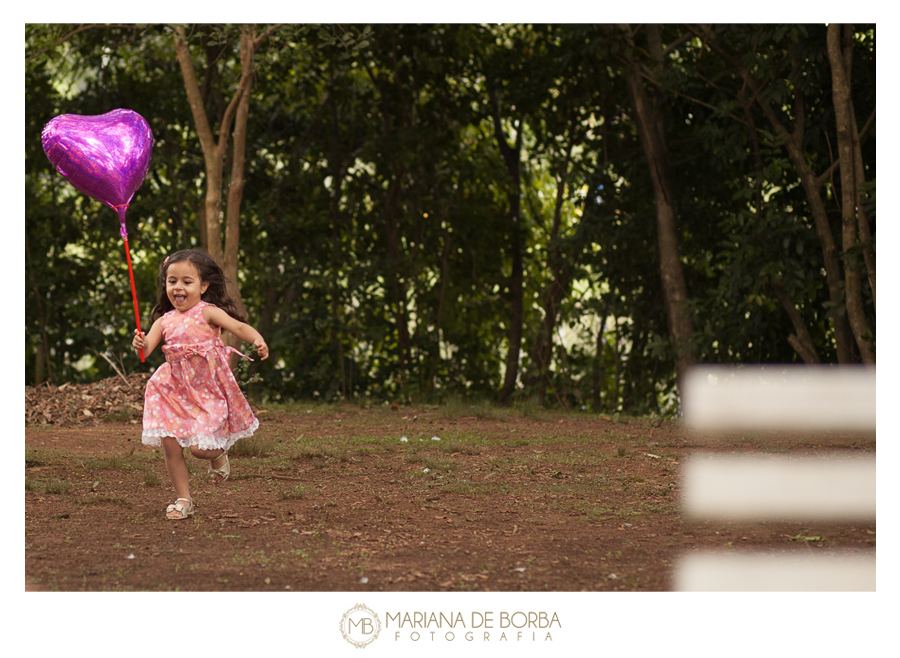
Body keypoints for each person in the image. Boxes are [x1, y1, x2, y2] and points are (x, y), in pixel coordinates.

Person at [132, 249, 269, 520]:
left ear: (203, 286)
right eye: (172, 281)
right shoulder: (164, 320)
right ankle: (184, 499)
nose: (178, 287)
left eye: (186, 281)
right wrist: (140, 343)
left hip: (206, 390)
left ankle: (219, 455)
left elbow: (238, 327)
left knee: (200, 449)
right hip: (171, 390)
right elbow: (146, 351)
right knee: (171, 445)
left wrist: (257, 339)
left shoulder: (208, 312)